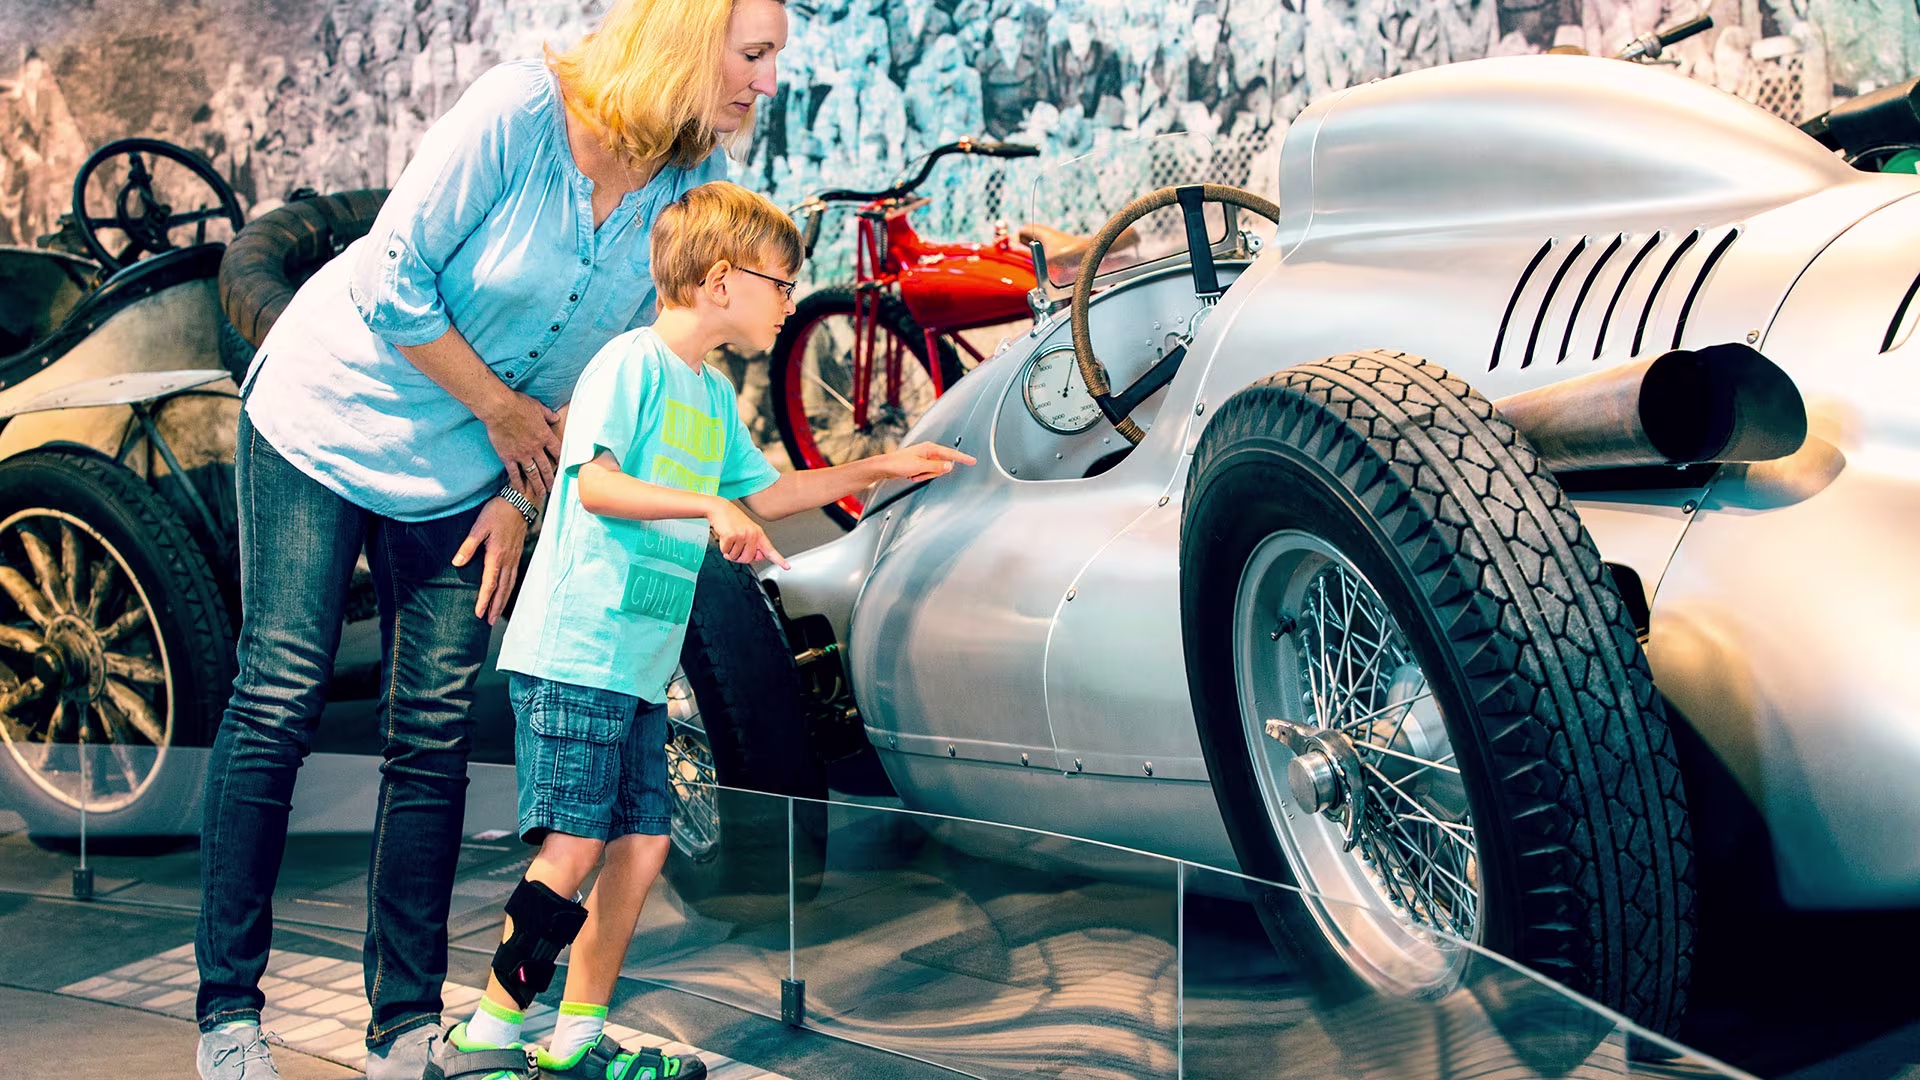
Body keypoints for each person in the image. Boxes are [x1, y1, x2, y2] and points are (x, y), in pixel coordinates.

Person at [191, 2, 789, 1078]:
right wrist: (503, 419)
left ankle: (405, 1028)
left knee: (428, 730)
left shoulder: (671, 196)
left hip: (470, 467)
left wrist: (519, 491)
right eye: (754, 54)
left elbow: (595, 369)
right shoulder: (521, 110)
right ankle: (229, 1014)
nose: (767, 81)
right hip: (327, 414)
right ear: (688, 43)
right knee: (279, 691)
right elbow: (388, 279)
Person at [433, 180, 973, 1080]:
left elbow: (765, 494)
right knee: (574, 846)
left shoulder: (710, 393)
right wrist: (708, 504)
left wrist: (882, 464)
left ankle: (574, 1042)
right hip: (577, 653)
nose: (791, 302)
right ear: (722, 281)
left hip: (638, 665)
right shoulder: (627, 366)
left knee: (642, 846)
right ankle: (485, 1035)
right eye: (781, 283)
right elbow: (595, 485)